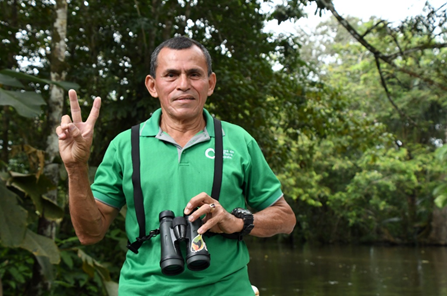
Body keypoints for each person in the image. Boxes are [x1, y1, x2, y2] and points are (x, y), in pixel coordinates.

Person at [57, 36, 296, 295]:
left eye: (194, 74)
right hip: (143, 290)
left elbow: (285, 218)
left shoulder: (238, 141)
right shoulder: (126, 145)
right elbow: (89, 233)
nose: (183, 85)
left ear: (210, 83)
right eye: (171, 75)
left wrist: (236, 222)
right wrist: (76, 167)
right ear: (152, 85)